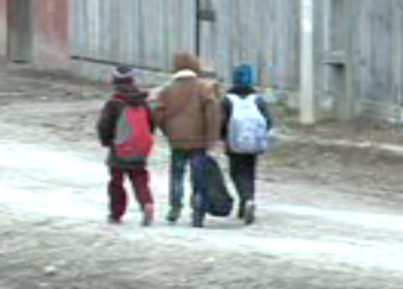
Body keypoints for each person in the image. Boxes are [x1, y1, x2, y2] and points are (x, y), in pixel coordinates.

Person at [155, 52, 220, 228]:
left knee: (177, 174)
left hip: (177, 140)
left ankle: (175, 207)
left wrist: (167, 131)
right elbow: (212, 113)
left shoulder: (167, 90)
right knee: (198, 177)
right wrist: (211, 136)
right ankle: (198, 212)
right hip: (199, 140)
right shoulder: (204, 88)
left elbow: (158, 115)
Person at [97, 65, 156, 226]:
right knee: (139, 178)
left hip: (119, 147)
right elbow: (151, 123)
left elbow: (104, 125)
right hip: (140, 148)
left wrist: (106, 141)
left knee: (116, 181)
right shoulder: (142, 101)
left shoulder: (114, 103)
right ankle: (147, 203)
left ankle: (116, 214)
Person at [221, 65, 273, 225]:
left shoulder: (227, 100)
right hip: (254, 144)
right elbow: (268, 122)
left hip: (234, 143)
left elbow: (222, 123)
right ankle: (248, 200)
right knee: (250, 172)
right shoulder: (258, 99)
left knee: (236, 173)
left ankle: (245, 199)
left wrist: (221, 137)